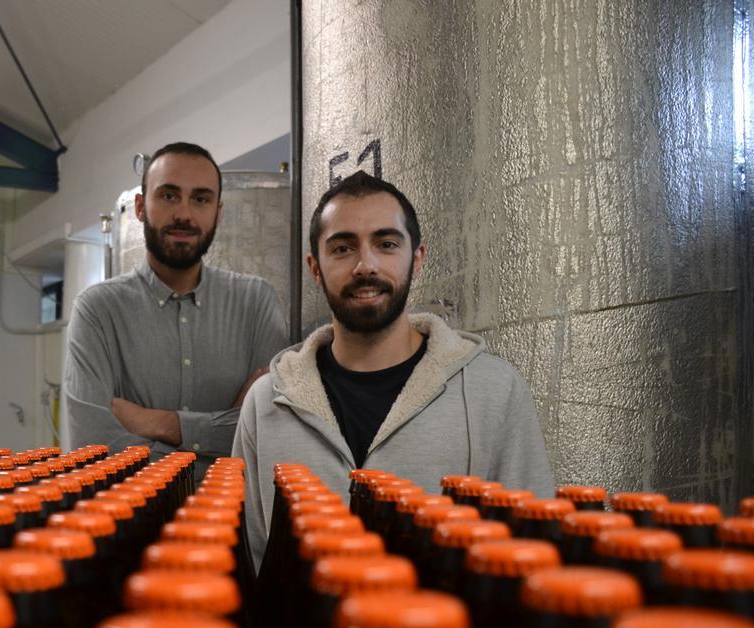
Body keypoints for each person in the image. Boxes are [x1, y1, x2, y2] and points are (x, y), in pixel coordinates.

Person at [233, 171, 554, 571]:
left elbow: (530, 552)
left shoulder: (494, 392)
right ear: (315, 269)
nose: (365, 265)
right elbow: (255, 563)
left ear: (416, 259)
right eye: (343, 248)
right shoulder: (265, 405)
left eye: (386, 244)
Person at [63, 142, 289, 467]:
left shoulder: (256, 302)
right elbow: (94, 448)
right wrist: (224, 430)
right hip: (134, 517)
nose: (184, 214)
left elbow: (270, 431)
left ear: (218, 213)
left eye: (200, 199)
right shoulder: (97, 310)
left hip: (236, 517)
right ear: (140, 207)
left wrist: (161, 423)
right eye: (169, 196)